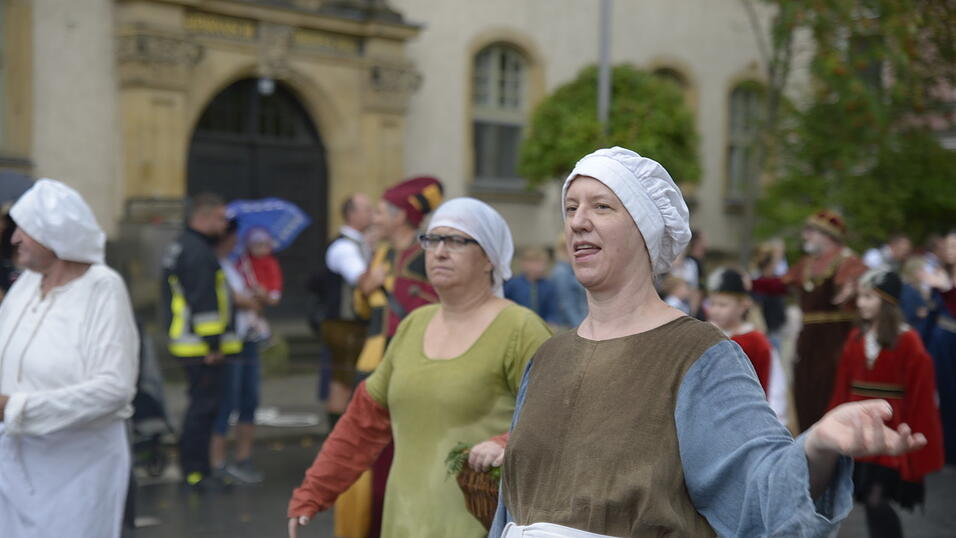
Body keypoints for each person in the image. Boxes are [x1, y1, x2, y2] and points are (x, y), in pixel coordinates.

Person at [490, 147, 927, 538]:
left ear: (646, 229)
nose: (578, 221)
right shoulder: (550, 355)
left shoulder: (697, 354)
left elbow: (759, 489)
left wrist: (816, 447)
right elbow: (509, 509)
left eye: (602, 206)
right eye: (570, 208)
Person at [287, 197, 552, 538]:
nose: (439, 251)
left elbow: (558, 421)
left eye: (456, 241)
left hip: (481, 529)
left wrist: (505, 441)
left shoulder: (520, 328)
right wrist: (314, 491)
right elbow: (362, 424)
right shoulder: (413, 325)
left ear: (488, 257)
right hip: (402, 526)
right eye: (432, 239)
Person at [0, 179, 139, 537]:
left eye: (23, 230)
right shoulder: (27, 284)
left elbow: (114, 389)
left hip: (76, 471)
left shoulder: (102, 289)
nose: (14, 239)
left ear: (53, 235)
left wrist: (14, 408)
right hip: (15, 466)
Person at [345, 176, 443, 538]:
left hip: (409, 369)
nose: (375, 217)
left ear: (402, 216)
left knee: (398, 459)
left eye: (382, 211)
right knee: (367, 459)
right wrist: (364, 288)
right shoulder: (381, 253)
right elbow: (364, 310)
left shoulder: (428, 257)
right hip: (370, 366)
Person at [829, 269, 944, 538]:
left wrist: (916, 440)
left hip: (889, 431)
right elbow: (841, 390)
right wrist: (833, 426)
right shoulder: (856, 338)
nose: (861, 303)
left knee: (876, 498)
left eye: (869, 297)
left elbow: (920, 394)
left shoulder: (908, 341)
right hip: (858, 429)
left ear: (888, 301)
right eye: (861, 297)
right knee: (865, 499)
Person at [161, 192, 241, 490]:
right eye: (220, 218)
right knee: (202, 409)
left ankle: (197, 468)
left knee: (202, 407)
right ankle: (195, 471)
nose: (224, 224)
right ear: (203, 217)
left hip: (191, 344)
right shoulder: (197, 252)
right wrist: (213, 346)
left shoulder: (185, 245)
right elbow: (204, 302)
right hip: (199, 347)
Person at [783, 210, 866, 432]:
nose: (806, 236)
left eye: (810, 232)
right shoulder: (807, 263)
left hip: (834, 340)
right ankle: (807, 449)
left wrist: (852, 288)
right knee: (805, 391)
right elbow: (781, 284)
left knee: (829, 391)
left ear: (826, 234)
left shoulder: (847, 260)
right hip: (808, 339)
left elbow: (861, 283)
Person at [210, 218, 265, 485]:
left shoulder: (234, 264)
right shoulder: (213, 264)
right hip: (231, 341)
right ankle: (217, 462)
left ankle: (244, 458)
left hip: (247, 337)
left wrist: (254, 295)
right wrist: (245, 299)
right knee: (227, 400)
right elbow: (226, 297)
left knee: (249, 398)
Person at [321, 193, 374, 427]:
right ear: (351, 214)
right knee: (342, 380)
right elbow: (363, 281)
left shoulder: (359, 244)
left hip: (352, 323)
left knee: (346, 379)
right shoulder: (344, 247)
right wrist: (380, 273)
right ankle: (335, 435)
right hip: (344, 323)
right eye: (366, 210)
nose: (371, 214)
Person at [705, 267, 772, 396]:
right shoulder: (704, 335)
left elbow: (764, 384)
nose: (715, 310)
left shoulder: (756, 341)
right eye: (711, 304)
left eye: (722, 305)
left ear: (742, 306)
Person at [920, 230, 956, 464]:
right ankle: (948, 450)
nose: (950, 250)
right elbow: (931, 314)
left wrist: (947, 290)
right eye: (949, 245)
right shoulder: (939, 274)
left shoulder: (943, 281)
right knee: (943, 395)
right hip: (941, 342)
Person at [236, 227, 283, 341]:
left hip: (263, 295)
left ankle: (263, 334)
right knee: (250, 315)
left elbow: (275, 283)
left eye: (264, 245)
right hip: (247, 295)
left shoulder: (271, 263)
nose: (260, 249)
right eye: (256, 245)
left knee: (257, 316)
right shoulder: (244, 261)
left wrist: (267, 293)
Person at [504, 247, 558, 324]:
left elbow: (552, 311)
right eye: (533, 263)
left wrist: (550, 322)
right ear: (523, 264)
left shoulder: (548, 286)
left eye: (541, 263)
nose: (538, 267)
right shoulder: (512, 285)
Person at [549, 232, 588, 329]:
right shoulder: (561, 272)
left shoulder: (571, 269)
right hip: (570, 325)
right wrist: (579, 327)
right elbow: (566, 303)